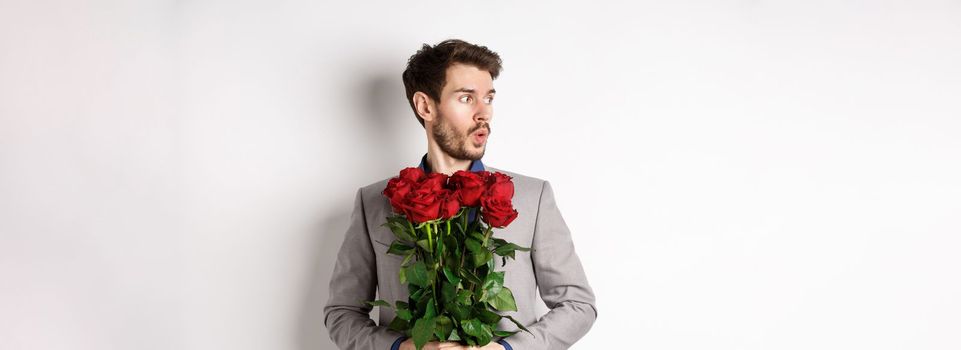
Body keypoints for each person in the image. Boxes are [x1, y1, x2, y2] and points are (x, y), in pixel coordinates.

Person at [324, 39, 597, 350]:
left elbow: (578, 305)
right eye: (467, 98)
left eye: (489, 98)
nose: (484, 113)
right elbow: (342, 314)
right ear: (426, 106)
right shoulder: (373, 202)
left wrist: (509, 349)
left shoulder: (532, 196)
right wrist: (403, 347)